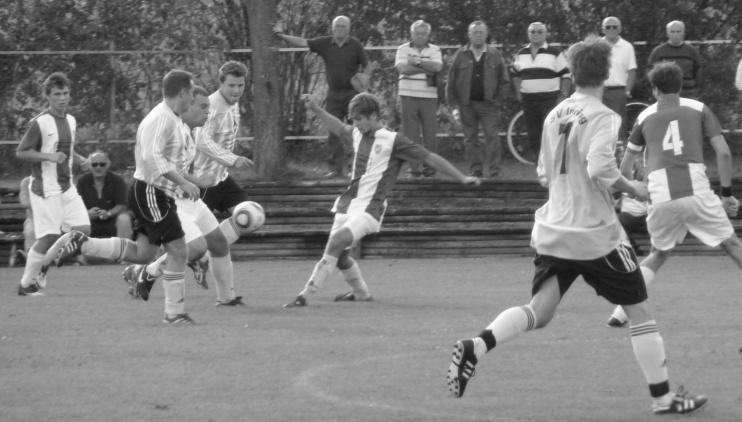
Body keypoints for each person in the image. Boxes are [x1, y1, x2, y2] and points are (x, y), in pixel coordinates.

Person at [447, 37, 706, 415]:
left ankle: (477, 345)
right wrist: (631, 186)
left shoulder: (555, 114)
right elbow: (600, 167)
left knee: (540, 310)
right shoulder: (604, 116)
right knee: (640, 314)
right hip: (596, 234)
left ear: (572, 74)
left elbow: (541, 172)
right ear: (606, 74)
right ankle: (664, 398)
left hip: (554, 229)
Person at [284, 92, 480, 308]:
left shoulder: (394, 140)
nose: (356, 124)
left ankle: (305, 295)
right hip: (347, 204)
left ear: (374, 116)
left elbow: (429, 158)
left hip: (371, 209)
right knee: (340, 258)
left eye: (360, 119)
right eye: (354, 120)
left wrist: (462, 178)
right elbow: (339, 127)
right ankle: (361, 294)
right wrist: (316, 109)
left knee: (338, 240)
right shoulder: (357, 134)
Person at [55, 69, 200, 325]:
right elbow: (151, 158)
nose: (193, 97)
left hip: (155, 194)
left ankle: (83, 244)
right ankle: (174, 314)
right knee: (178, 250)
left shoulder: (172, 118)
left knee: (144, 254)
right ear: (184, 92)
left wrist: (185, 179)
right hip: (151, 193)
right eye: (192, 91)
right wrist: (183, 182)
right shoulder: (161, 118)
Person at [606, 62, 742, 328]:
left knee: (658, 253)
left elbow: (625, 165)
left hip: (661, 196)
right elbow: (723, 153)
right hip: (696, 192)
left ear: (655, 89)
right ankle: (621, 310)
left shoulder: (644, 117)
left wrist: (636, 190)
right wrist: (726, 195)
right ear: (680, 85)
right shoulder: (699, 109)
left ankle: (621, 311)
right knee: (732, 246)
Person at [124, 85, 247, 306]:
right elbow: (164, 166)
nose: (207, 112)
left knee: (218, 242)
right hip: (171, 197)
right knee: (195, 248)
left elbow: (209, 147)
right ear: (186, 106)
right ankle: (149, 276)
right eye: (202, 107)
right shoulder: (171, 127)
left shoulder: (195, 131)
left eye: (208, 108)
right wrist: (197, 181)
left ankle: (227, 299)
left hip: (189, 197)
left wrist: (233, 160)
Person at [15, 72, 91, 296]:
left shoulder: (71, 120)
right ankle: (26, 284)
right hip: (45, 189)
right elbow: (21, 152)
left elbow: (66, 150)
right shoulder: (39, 123)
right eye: (57, 94)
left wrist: (79, 160)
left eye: (66, 93)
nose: (62, 98)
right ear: (47, 96)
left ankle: (42, 266)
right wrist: (48, 157)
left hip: (67, 187)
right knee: (48, 237)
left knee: (83, 231)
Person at [189, 60, 257, 300]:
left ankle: (205, 259)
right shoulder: (211, 106)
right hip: (204, 180)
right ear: (220, 84)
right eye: (231, 86)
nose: (236, 91)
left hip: (222, 178)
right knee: (190, 243)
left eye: (240, 85)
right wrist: (232, 159)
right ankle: (146, 272)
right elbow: (201, 140)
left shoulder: (233, 105)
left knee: (250, 216)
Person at [275, 15, 369, 178]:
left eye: (343, 26)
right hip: (333, 94)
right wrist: (281, 36)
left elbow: (367, 65)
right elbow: (303, 42)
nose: (340, 28)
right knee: (334, 133)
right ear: (333, 28)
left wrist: (364, 82)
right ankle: (336, 169)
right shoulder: (325, 43)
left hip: (353, 95)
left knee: (357, 131)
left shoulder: (355, 45)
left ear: (349, 29)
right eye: (337, 26)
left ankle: (357, 168)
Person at [446, 20, 509, 178]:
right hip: (466, 104)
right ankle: (475, 169)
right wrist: (452, 104)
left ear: (486, 34)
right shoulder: (460, 55)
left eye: (481, 32)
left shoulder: (495, 55)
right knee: (470, 138)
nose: (478, 35)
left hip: (489, 105)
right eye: (475, 32)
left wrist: (498, 101)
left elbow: (504, 81)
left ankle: (494, 171)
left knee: (492, 137)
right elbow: (451, 80)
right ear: (469, 35)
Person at [511, 22, 571, 162]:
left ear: (545, 34)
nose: (536, 34)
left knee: (550, 133)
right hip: (528, 101)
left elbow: (567, 75)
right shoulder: (521, 54)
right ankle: (539, 164)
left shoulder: (555, 53)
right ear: (528, 34)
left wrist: (563, 96)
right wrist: (518, 92)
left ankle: (552, 163)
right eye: (533, 32)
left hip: (549, 100)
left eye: (539, 32)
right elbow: (515, 74)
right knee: (534, 134)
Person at [395, 19, 443, 178]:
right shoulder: (402, 49)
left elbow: (437, 67)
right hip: (408, 96)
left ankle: (430, 167)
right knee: (410, 135)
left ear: (428, 35)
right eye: (417, 33)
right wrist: (425, 66)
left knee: (430, 134)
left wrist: (416, 62)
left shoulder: (435, 50)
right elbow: (402, 69)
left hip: (429, 96)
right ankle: (414, 169)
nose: (420, 36)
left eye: (424, 34)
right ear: (411, 34)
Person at [76, 151, 133, 239]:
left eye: (102, 164)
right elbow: (77, 206)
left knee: (124, 219)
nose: (98, 167)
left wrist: (108, 213)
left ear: (108, 165)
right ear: (90, 166)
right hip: (89, 220)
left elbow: (121, 205)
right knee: (74, 220)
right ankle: (78, 250)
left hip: (112, 220)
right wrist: (87, 213)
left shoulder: (118, 181)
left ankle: (123, 250)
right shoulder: (82, 182)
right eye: (94, 164)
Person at [601, 16, 637, 143]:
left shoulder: (627, 47)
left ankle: (620, 155)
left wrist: (627, 91)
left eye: (614, 27)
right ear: (603, 29)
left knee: (618, 124)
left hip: (618, 91)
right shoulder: (597, 46)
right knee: (599, 124)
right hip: (599, 90)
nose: (611, 29)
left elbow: (632, 71)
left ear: (620, 29)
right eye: (608, 27)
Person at [648, 21, 701, 98]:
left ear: (683, 32)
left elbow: (698, 70)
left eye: (678, 31)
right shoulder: (658, 52)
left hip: (688, 93)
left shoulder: (692, 51)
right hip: (665, 95)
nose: (675, 34)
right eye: (672, 32)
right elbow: (651, 72)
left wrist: (697, 88)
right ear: (667, 33)